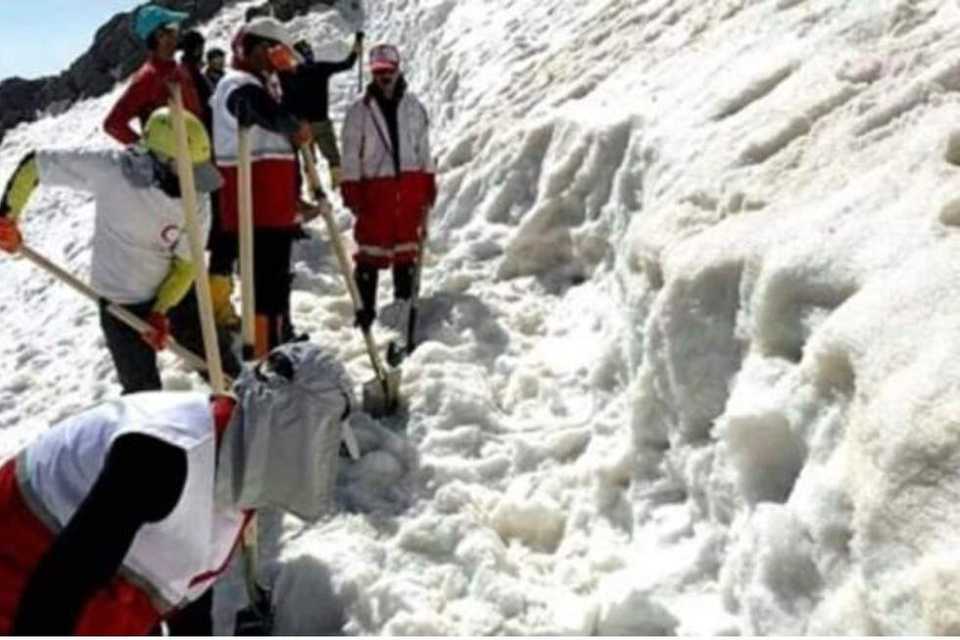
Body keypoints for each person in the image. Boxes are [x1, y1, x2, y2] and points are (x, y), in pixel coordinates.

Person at [0, 341, 353, 634]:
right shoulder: (162, 457)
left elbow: (184, 581)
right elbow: (60, 586)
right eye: (325, 446)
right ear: (297, 431)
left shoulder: (237, 465)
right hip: (18, 574)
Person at [0, 108, 241, 393]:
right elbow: (35, 165)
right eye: (185, 171)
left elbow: (187, 266)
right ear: (160, 160)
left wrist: (161, 310)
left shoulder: (196, 200)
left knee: (217, 364)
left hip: (174, 291)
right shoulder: (111, 171)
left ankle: (245, 411)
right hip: (119, 300)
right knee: (142, 392)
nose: (194, 183)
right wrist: (7, 218)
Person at [211, 18, 318, 357]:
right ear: (258, 49)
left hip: (273, 206)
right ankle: (262, 351)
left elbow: (280, 142)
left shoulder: (265, 83)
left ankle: (280, 338)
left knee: (276, 282)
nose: (280, 62)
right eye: (277, 54)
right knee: (263, 287)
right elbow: (257, 111)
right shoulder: (236, 84)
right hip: (251, 207)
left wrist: (292, 199)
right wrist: (290, 124)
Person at [340, 43, 436, 333]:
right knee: (370, 250)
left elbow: (424, 148)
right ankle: (364, 314)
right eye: (378, 71)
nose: (384, 77)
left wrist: (428, 180)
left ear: (397, 70)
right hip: (375, 189)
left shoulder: (414, 107)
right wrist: (351, 186)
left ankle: (403, 308)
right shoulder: (359, 110)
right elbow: (350, 152)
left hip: (408, 186)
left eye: (388, 71)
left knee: (406, 249)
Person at [103, 4, 203, 145]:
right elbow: (113, 124)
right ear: (159, 35)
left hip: (197, 154)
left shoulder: (179, 69)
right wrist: (147, 150)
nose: (178, 32)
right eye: (174, 27)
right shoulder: (148, 77)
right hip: (174, 163)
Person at [279, 34, 363, 189]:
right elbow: (347, 64)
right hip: (321, 122)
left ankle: (314, 190)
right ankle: (338, 187)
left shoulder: (288, 74)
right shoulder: (320, 68)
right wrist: (356, 47)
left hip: (302, 125)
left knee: (309, 160)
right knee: (333, 157)